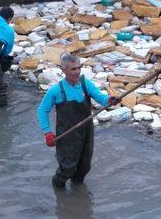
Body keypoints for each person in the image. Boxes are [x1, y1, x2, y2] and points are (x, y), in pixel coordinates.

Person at [37, 54, 119, 188]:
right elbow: (42, 110)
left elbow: (101, 98)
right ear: (64, 70)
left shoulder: (85, 84)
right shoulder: (57, 90)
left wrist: (109, 100)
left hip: (86, 133)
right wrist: (47, 133)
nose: (77, 72)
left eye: (79, 68)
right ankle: (59, 191)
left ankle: (78, 192)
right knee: (67, 168)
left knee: (84, 167)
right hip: (67, 135)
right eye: (73, 69)